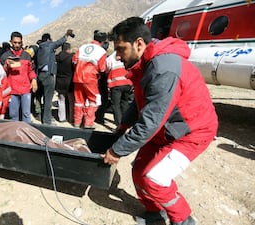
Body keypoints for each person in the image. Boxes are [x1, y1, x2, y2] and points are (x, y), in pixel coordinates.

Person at [102, 17, 218, 225]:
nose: (117, 57)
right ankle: (155, 212)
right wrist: (124, 124)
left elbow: (150, 121)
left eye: (120, 49)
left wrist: (116, 151)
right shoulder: (145, 64)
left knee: (155, 179)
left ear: (138, 43)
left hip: (192, 131)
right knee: (139, 170)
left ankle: (183, 220)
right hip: (167, 128)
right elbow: (140, 102)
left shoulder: (163, 69)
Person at [36, 29, 74, 125]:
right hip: (48, 75)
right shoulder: (48, 45)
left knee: (43, 98)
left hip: (40, 75)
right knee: (48, 99)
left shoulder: (39, 48)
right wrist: (66, 35)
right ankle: (47, 121)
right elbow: (59, 42)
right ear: (48, 40)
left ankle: (43, 116)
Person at [72, 30, 108, 129]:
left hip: (77, 77)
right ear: (103, 41)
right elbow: (102, 68)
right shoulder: (101, 51)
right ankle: (88, 123)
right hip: (90, 78)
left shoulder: (82, 47)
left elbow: (74, 61)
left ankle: (77, 122)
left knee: (78, 101)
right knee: (94, 100)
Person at [0, 31, 37, 123]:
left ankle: (27, 134)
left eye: (19, 43)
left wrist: (34, 80)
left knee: (26, 114)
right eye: (15, 42)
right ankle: (15, 135)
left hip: (25, 90)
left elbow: (31, 70)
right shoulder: (5, 56)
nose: (17, 45)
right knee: (14, 115)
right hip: (12, 90)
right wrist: (6, 65)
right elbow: (1, 74)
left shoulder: (27, 55)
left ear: (22, 42)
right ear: (11, 42)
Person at [106, 51, 133, 126]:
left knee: (116, 104)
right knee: (125, 103)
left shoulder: (111, 57)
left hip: (116, 83)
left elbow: (107, 68)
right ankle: (125, 123)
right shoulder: (128, 54)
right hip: (128, 82)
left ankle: (119, 124)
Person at [55, 42, 74, 123]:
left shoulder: (56, 57)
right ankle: (71, 118)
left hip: (59, 82)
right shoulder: (71, 57)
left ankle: (61, 118)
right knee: (71, 101)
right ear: (69, 49)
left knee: (61, 100)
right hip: (69, 82)